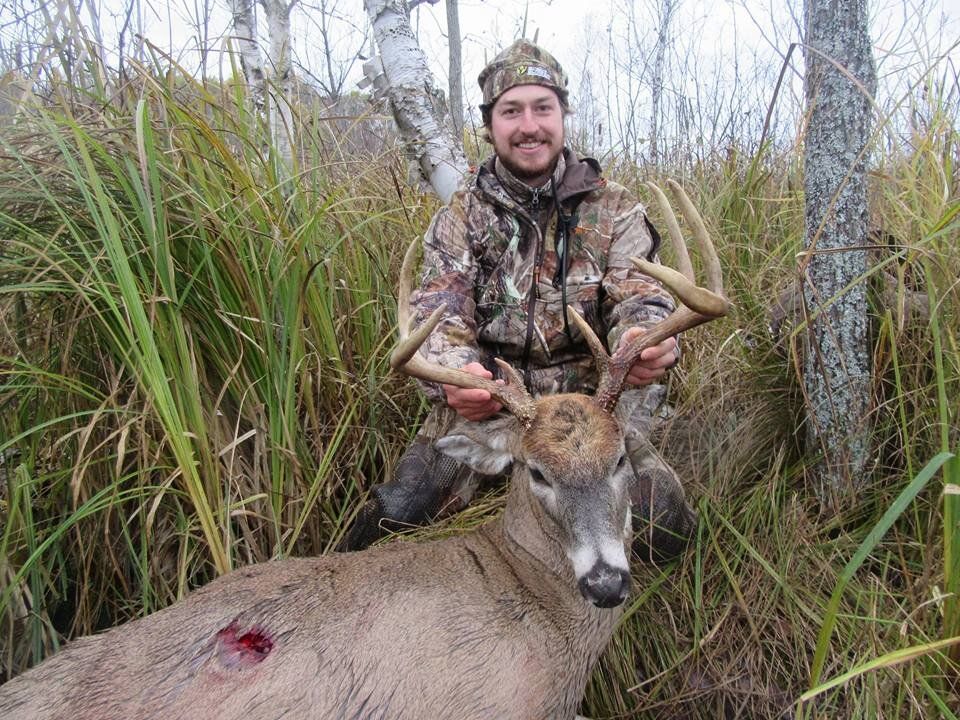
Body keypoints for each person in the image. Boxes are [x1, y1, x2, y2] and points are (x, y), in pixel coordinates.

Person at [340, 39, 696, 561]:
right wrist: (456, 375)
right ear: (490, 125)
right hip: (496, 415)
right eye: (511, 111)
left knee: (662, 528)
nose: (528, 125)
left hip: (594, 411)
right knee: (397, 515)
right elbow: (439, 318)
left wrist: (641, 339)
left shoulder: (614, 208)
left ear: (563, 114)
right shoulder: (462, 215)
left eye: (542, 107)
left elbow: (640, 294)